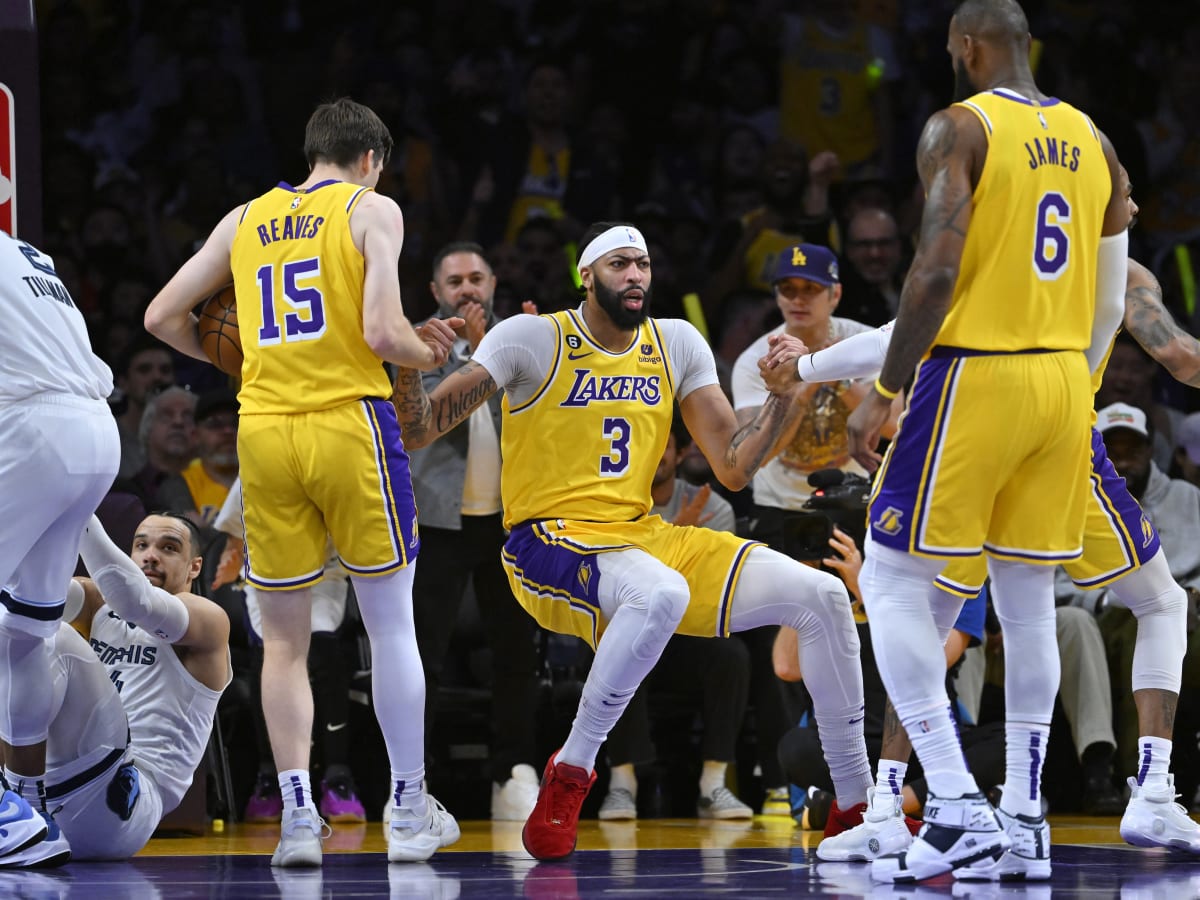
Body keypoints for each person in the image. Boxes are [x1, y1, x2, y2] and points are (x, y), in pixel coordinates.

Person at [391, 220, 873, 862]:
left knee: (822, 596)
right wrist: (403, 365)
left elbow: (732, 465)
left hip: (643, 537)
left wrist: (784, 400)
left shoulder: (675, 343)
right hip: (547, 540)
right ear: (586, 276)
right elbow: (419, 429)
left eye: (643, 263)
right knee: (661, 593)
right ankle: (573, 772)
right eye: (620, 264)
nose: (636, 275)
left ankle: (855, 805)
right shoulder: (532, 338)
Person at [767, 197, 1199, 877]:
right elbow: (1180, 356)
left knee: (918, 606)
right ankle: (1096, 799)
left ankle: (915, 807)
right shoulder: (1121, 273)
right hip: (1054, 441)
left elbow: (903, 328)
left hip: (967, 435)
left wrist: (815, 369)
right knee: (1091, 606)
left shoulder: (998, 256)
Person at [835, 0, 1131, 883]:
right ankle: (1026, 820)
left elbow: (930, 274)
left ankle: (958, 806)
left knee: (889, 576)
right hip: (1062, 383)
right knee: (1028, 599)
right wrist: (1075, 377)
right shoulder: (1096, 141)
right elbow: (1113, 299)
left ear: (966, 48)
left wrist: (885, 391)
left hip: (978, 373)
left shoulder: (957, 127)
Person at [144, 97, 461, 867]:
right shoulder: (370, 209)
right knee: (388, 625)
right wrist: (431, 355)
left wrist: (244, 361)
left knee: (281, 642)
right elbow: (386, 333)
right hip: (347, 424)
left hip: (266, 432)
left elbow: (162, 317)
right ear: (371, 160)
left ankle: (295, 819)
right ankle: (410, 809)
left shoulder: (245, 218)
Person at [731, 242, 894, 816]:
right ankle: (790, 785)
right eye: (787, 290)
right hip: (784, 511)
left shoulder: (868, 341)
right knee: (784, 647)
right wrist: (796, 382)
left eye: (810, 289)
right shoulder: (757, 357)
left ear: (835, 294)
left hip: (860, 508)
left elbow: (891, 422)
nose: (798, 300)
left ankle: (863, 767)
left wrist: (829, 363)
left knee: (865, 636)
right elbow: (752, 452)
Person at [405, 241, 545, 822]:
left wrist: (521, 351)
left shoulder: (525, 338)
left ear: (493, 283)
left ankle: (513, 768)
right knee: (423, 655)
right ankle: (413, 776)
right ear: (436, 292)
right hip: (437, 520)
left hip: (509, 518)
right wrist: (487, 352)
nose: (467, 288)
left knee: (516, 652)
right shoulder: (416, 343)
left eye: (476, 278)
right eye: (454, 280)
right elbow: (427, 423)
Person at [0, 232, 122, 867]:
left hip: (34, 429)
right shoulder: (31, 257)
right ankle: (25, 804)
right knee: (22, 635)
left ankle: (5, 811)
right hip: (96, 432)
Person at [25, 513, 230, 859]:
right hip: (66, 785)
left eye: (168, 547)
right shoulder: (98, 603)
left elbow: (136, 601)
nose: (151, 555)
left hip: (124, 804)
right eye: (141, 545)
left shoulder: (208, 620)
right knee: (18, 629)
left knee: (50, 638)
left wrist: (78, 505)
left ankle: (19, 800)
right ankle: (15, 797)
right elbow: (30, 597)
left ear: (194, 567)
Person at [597, 415, 753, 821]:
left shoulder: (713, 507)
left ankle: (714, 784)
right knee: (610, 643)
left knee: (732, 655)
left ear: (681, 452)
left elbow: (711, 591)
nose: (655, 454)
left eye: (664, 445)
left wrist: (662, 552)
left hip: (688, 635)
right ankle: (622, 783)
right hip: (630, 625)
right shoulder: (609, 506)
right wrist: (675, 543)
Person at [211, 478, 367, 825]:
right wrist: (231, 557)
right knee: (271, 654)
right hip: (268, 571)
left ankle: (337, 777)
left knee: (326, 649)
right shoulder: (261, 443)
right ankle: (270, 777)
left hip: (325, 574)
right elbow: (236, 528)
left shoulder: (338, 451)